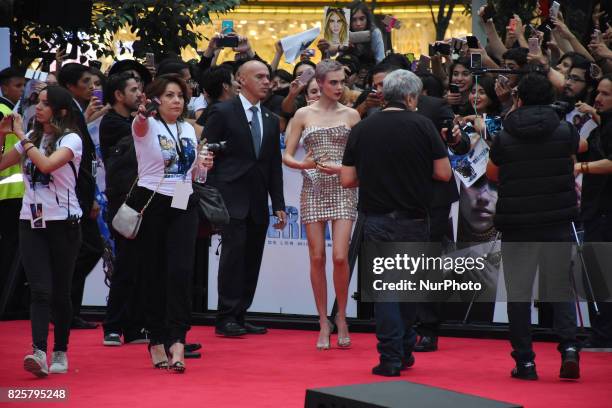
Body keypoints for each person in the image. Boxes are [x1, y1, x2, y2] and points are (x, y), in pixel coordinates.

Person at [341, 69, 452, 376]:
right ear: (410, 97)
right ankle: (403, 350)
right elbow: (444, 173)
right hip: (415, 218)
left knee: (386, 291)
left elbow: (348, 179)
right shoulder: (423, 125)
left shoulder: (362, 128)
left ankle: (391, 356)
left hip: (376, 218)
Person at [487, 73, 586, 380]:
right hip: (556, 219)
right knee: (558, 286)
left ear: (519, 99)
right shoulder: (564, 130)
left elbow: (492, 174)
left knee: (519, 293)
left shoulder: (504, 135)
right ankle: (569, 348)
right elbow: (580, 147)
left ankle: (526, 362)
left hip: (517, 223)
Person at [129, 73, 212, 372]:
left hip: (183, 200)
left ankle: (178, 340)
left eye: (180, 96)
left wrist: (202, 168)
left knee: (180, 272)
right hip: (152, 201)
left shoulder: (188, 129)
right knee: (154, 273)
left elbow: (191, 175)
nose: (176, 100)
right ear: (156, 100)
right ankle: (156, 339)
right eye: (170, 96)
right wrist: (142, 113)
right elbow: (139, 124)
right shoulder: (146, 125)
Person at [0, 86, 84, 377]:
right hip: (30, 222)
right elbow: (1, 163)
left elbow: (47, 166)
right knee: (40, 290)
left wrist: (21, 135)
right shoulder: (33, 138)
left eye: (45, 104)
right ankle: (38, 352)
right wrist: (3, 135)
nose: (38, 108)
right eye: (37, 102)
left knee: (60, 292)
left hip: (64, 223)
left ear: (60, 111)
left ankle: (60, 349)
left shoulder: (72, 139)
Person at [203, 60, 287, 337]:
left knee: (252, 258)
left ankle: (240, 313)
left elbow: (274, 165)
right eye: (260, 76)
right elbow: (207, 154)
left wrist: (278, 205)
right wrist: (214, 194)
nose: (266, 81)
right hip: (230, 198)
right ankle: (225, 316)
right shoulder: (223, 111)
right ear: (241, 79)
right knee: (232, 259)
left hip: (258, 201)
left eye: (268, 77)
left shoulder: (270, 120)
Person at [283, 59, 360, 349]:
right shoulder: (303, 114)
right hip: (313, 188)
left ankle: (341, 316)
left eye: (342, 82)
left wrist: (343, 169)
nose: (340, 87)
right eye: (334, 82)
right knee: (316, 257)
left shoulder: (352, 115)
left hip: (343, 188)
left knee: (340, 256)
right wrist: (304, 164)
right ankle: (322, 321)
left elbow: (360, 159)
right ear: (321, 82)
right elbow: (287, 155)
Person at [99, 72, 146, 346]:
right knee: (127, 263)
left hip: (143, 198)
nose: (139, 94)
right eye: (133, 89)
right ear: (118, 95)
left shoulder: (131, 121)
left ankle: (136, 326)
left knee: (140, 265)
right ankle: (113, 326)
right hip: (123, 201)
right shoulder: (113, 123)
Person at [57, 63, 104, 330]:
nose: (92, 87)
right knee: (86, 249)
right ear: (70, 87)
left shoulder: (77, 112)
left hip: (82, 193)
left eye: (94, 82)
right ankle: (63, 305)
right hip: (74, 194)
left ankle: (67, 309)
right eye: (86, 82)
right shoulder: (69, 113)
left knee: (82, 250)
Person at [574, 74, 612, 348]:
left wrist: (580, 167)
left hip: (605, 211)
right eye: (598, 92)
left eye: (605, 94)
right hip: (596, 209)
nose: (597, 98)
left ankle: (604, 333)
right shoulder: (603, 123)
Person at [0, 67, 26, 294]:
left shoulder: (11, 111)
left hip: (12, 192)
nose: (22, 90)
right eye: (18, 85)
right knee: (10, 250)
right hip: (8, 194)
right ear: (4, 86)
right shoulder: (4, 112)